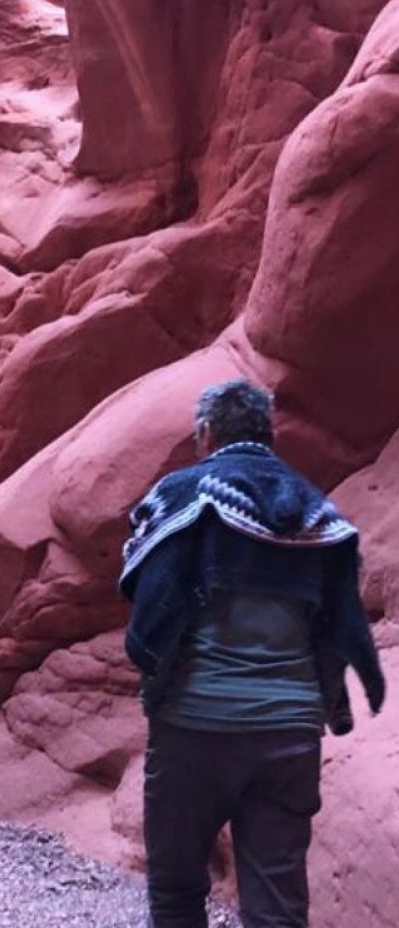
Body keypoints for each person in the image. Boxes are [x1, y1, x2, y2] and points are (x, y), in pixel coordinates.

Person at [119, 379, 385, 928]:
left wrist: (156, 664)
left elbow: (151, 617)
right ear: (269, 434)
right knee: (278, 908)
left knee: (176, 895)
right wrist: (318, 707)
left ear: (207, 434)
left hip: (193, 727)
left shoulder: (183, 495)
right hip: (288, 736)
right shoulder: (319, 512)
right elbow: (338, 631)